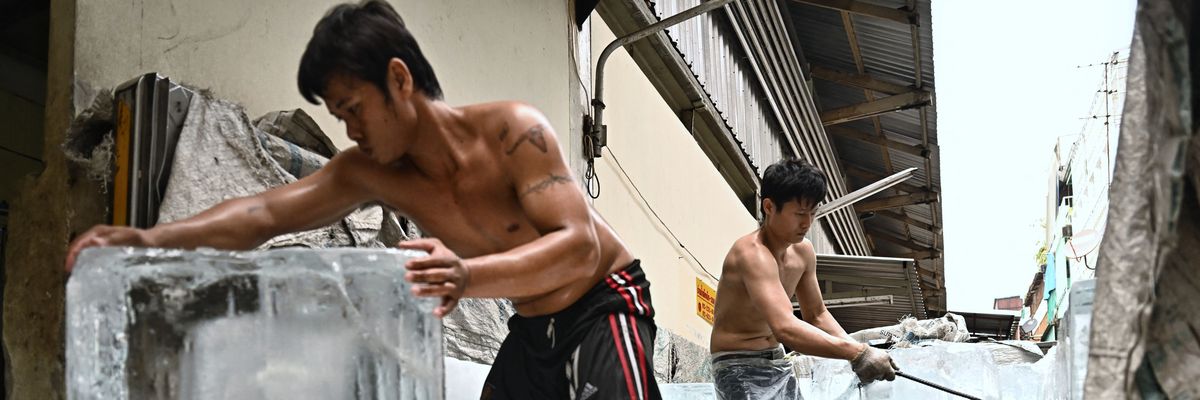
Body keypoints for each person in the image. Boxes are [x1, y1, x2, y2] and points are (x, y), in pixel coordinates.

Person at [65, 2, 660, 399]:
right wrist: (145, 240)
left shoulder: (514, 133)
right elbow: (264, 214)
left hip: (604, 306)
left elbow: (579, 249)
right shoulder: (369, 171)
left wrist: (465, 274)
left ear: (399, 80)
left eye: (354, 109)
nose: (349, 130)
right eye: (338, 115)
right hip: (532, 327)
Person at [708, 158, 896, 399]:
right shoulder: (751, 254)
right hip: (737, 365)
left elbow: (817, 314)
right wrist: (857, 353)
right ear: (769, 207)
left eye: (813, 212)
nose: (807, 223)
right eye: (799, 214)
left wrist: (862, 352)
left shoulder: (803, 252)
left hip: (776, 360)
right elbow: (785, 328)